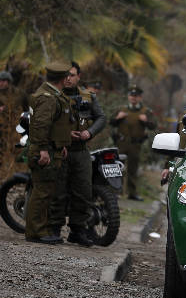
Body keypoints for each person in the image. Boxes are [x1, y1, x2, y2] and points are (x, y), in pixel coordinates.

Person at [47, 62, 106, 245]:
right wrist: (63, 135)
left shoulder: (88, 96)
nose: (68, 79)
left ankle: (78, 230)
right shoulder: (53, 95)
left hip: (81, 151)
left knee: (83, 191)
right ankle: (54, 228)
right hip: (60, 149)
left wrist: (90, 132)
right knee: (58, 190)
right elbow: (44, 122)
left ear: (79, 76)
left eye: (72, 75)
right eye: (66, 75)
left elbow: (101, 118)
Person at [25, 62, 77, 244]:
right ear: (64, 78)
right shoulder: (47, 97)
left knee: (46, 191)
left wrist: (60, 144)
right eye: (68, 76)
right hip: (44, 150)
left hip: (51, 148)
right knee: (41, 191)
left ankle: (42, 229)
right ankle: (35, 232)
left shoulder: (52, 94)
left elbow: (54, 125)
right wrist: (42, 150)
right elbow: (40, 126)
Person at [110, 85, 157, 200]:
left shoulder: (145, 111)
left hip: (136, 144)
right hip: (121, 143)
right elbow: (111, 122)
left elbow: (153, 126)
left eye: (136, 96)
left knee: (133, 169)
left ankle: (132, 193)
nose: (133, 98)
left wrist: (146, 121)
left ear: (140, 98)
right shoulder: (121, 109)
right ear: (128, 97)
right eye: (131, 95)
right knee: (118, 167)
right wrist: (117, 118)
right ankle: (116, 192)